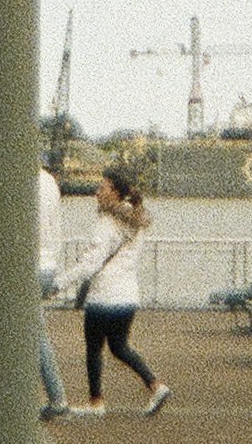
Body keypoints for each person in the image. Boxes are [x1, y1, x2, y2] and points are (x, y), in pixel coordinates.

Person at [55, 168, 170, 416]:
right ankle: (155, 385)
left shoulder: (106, 223)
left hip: (103, 296)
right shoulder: (136, 224)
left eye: (103, 187)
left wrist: (60, 283)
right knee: (119, 346)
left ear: (115, 193)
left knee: (94, 348)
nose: (97, 192)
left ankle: (96, 402)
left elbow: (91, 263)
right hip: (128, 296)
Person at [37, 162, 70, 417]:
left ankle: (57, 398)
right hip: (48, 265)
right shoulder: (49, 182)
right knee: (35, 334)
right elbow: (56, 229)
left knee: (35, 337)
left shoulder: (17, 182)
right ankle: (56, 397)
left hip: (28, 266)